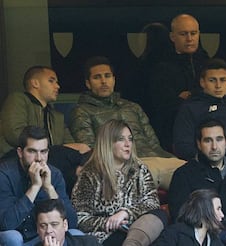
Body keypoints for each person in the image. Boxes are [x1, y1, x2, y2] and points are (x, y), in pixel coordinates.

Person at [69, 56, 185, 190]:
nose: (103, 81)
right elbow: (90, 149)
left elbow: (153, 142)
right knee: (145, 175)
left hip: (155, 158)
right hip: (122, 164)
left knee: (194, 173)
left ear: (114, 79)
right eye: (97, 77)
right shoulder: (81, 111)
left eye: (107, 76)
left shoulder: (132, 107)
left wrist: (168, 157)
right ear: (88, 83)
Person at [71, 119, 167, 246]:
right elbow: (80, 217)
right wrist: (109, 222)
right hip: (108, 233)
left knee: (160, 215)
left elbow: (152, 202)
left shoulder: (139, 168)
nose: (128, 144)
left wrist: (126, 213)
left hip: (138, 228)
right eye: (121, 139)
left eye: (130, 139)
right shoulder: (90, 174)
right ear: (108, 143)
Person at [0, 65, 90, 194]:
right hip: (17, 156)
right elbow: (14, 134)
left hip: (49, 159)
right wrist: (49, 147)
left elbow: (71, 143)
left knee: (84, 156)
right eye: (51, 81)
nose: (57, 86)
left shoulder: (55, 115)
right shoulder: (18, 100)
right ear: (35, 83)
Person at [169, 118, 226, 246]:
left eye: (219, 139)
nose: (214, 146)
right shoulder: (183, 175)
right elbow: (181, 219)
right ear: (199, 144)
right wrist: (224, 236)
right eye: (208, 140)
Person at [0, 126, 78, 246]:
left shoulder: (54, 174)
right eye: (32, 151)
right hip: (21, 238)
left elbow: (71, 222)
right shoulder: (5, 174)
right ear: (20, 152)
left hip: (46, 235)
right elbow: (6, 224)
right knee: (12, 237)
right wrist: (35, 187)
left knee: (76, 233)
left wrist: (49, 188)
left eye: (43, 152)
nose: (39, 158)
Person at [148, 13, 209, 151]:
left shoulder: (207, 63)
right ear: (172, 37)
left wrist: (190, 96)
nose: (189, 39)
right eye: (183, 34)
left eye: (193, 33)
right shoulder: (161, 67)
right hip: (174, 133)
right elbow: (164, 105)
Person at [154, 189, 224, 246]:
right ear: (203, 210)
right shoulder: (174, 234)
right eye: (218, 209)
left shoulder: (214, 240)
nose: (222, 215)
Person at [35, 199, 100, 246]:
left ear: (65, 225)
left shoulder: (89, 243)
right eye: (43, 226)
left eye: (54, 224)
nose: (48, 230)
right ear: (37, 229)